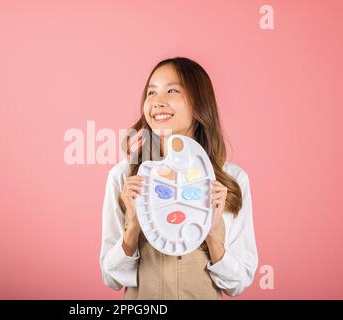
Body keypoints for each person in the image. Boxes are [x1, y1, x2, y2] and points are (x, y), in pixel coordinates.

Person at [99, 57, 258, 299]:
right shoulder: (124, 177)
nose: (157, 102)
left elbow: (238, 283)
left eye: (172, 90)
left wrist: (214, 236)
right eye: (151, 93)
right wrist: (133, 226)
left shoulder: (232, 180)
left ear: (199, 102)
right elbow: (111, 278)